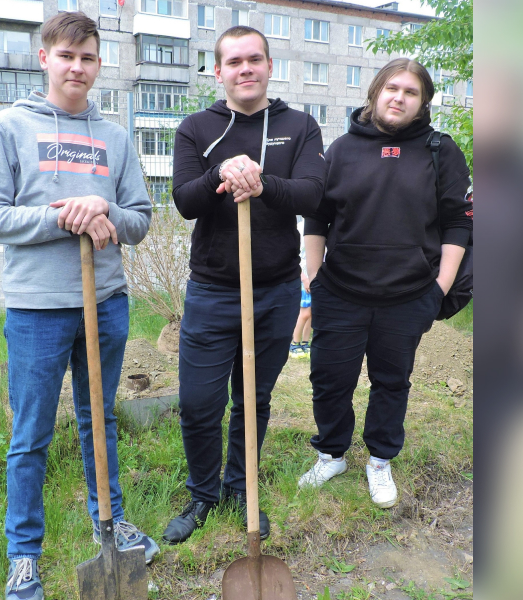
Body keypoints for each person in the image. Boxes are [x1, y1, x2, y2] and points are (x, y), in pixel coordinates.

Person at [0, 12, 157, 600]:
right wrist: (63, 217)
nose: (77, 67)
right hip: (37, 309)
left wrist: (102, 209)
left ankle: (111, 522)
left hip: (105, 301)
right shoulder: (10, 127)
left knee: (99, 419)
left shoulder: (116, 138)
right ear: (44, 58)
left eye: (88, 58)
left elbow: (140, 221)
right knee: (30, 433)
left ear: (99, 64)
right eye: (67, 56)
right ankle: (23, 555)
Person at [163, 25, 326, 545]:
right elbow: (185, 201)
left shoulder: (300, 126)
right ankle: (202, 494)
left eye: (255, 59)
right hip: (212, 291)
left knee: (253, 399)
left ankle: (240, 487)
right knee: (198, 403)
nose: (245, 69)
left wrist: (261, 182)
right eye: (234, 62)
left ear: (270, 65)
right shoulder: (196, 128)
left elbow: (312, 194)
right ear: (219, 72)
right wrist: (221, 174)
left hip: (274, 291)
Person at [298, 58, 473, 509]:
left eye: (411, 92)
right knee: (329, 380)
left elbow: (458, 223)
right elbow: (317, 217)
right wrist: (314, 277)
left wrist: (439, 288)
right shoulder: (341, 150)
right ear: (375, 92)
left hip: (408, 295)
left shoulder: (440, 150)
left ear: (423, 102)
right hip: (340, 291)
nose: (399, 98)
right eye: (392, 88)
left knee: (392, 382)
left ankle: (380, 460)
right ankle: (332, 454)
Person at [289, 216, 312, 359]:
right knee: (304, 313)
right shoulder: (300, 228)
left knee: (311, 313)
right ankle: (294, 344)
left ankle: (305, 343)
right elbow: (294, 257)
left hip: (314, 276)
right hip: (304, 277)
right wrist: (304, 278)